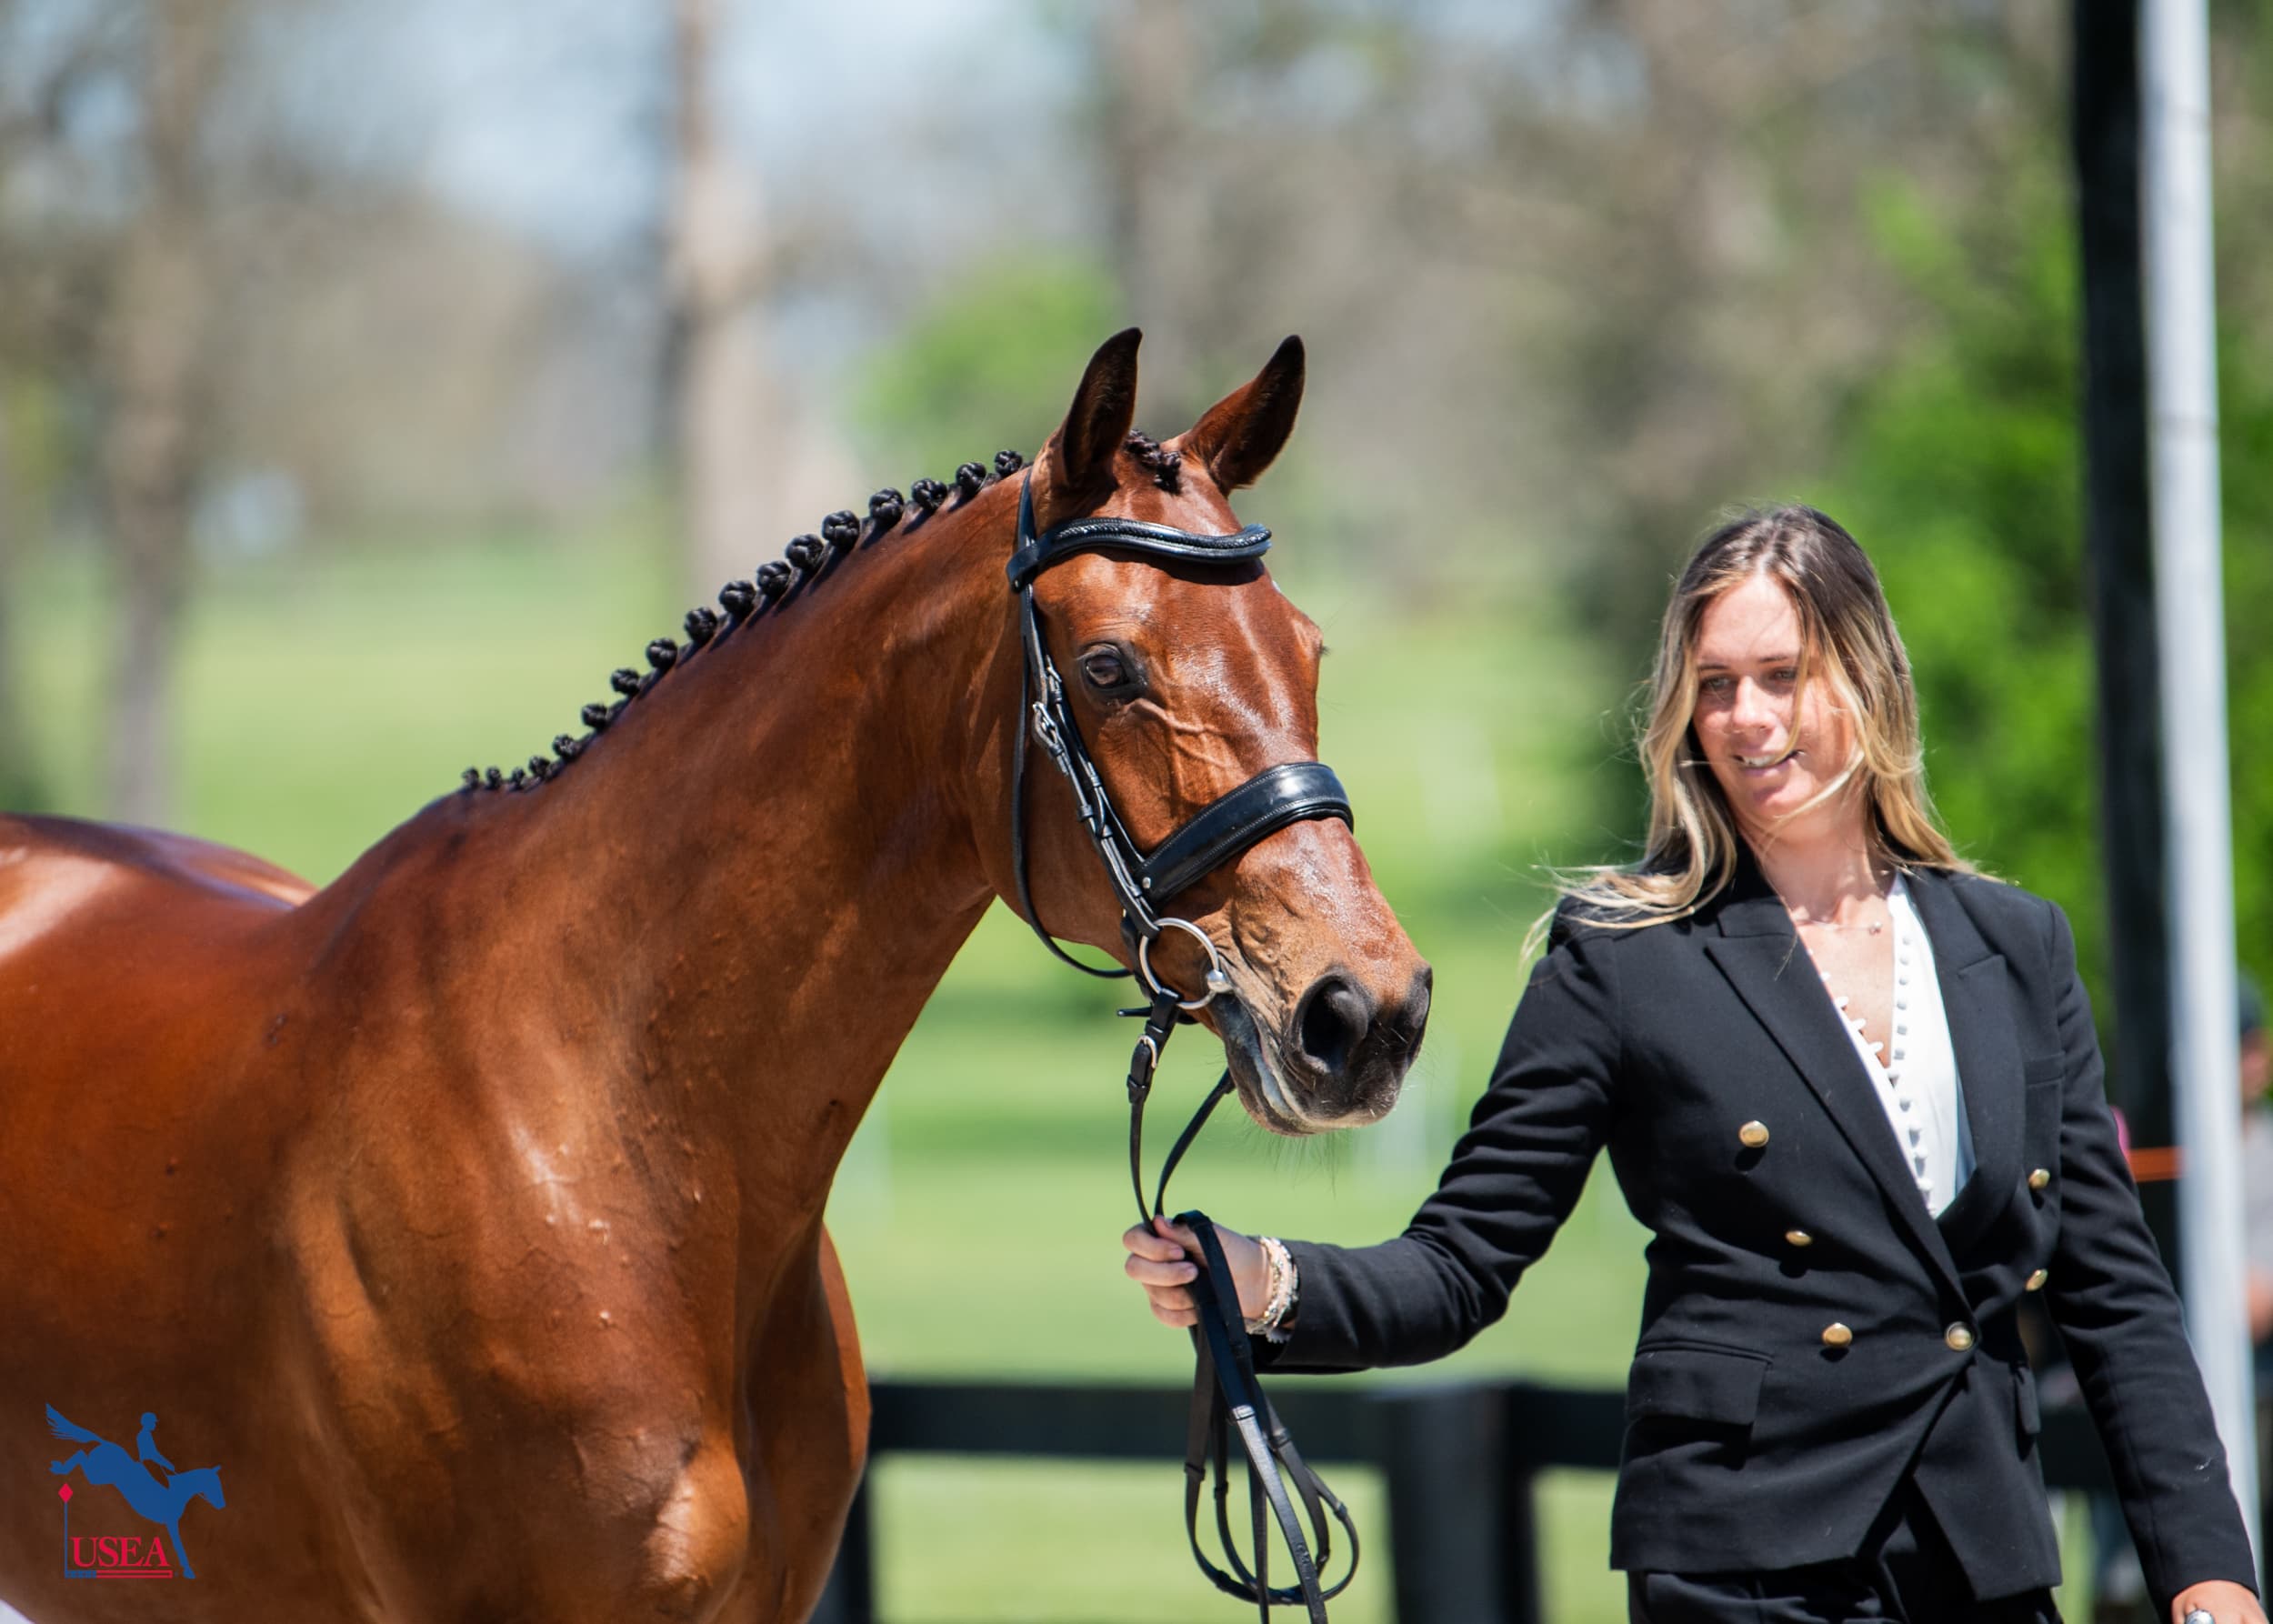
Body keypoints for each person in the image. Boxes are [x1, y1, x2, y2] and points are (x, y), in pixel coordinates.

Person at [1123, 507, 2262, 1624]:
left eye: (1781, 674)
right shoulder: (1622, 960)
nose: (1743, 717)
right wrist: (1263, 1276)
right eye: (1713, 684)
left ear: (1866, 682)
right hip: (1744, 1562)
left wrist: (2207, 1571)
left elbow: (2114, 1299)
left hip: (1980, 1556)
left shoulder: (2016, 946)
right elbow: (1464, 1261)